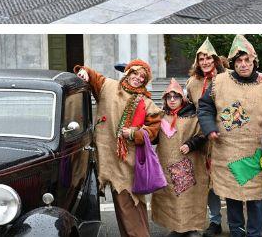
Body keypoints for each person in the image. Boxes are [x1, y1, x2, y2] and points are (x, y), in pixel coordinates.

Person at [198, 35, 262, 237]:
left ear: (254, 62)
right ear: (233, 63)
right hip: (226, 151)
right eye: (238, 61)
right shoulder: (219, 82)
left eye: (247, 60)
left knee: (255, 198)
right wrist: (210, 128)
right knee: (232, 196)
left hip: (255, 153)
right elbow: (205, 107)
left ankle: (254, 234)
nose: (243, 65)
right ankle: (237, 232)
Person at [75, 60, 162, 237]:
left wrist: (133, 134)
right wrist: (84, 72)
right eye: (135, 73)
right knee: (124, 208)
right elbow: (94, 77)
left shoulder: (145, 102)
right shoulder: (108, 86)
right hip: (108, 158)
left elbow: (154, 130)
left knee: (130, 205)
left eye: (142, 77)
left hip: (128, 163)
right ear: (128, 72)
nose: (138, 78)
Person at [151, 78, 211, 237]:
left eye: (175, 97)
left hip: (190, 165)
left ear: (182, 98)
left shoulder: (193, 115)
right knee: (172, 198)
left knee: (190, 197)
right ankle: (177, 228)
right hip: (166, 165)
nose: (172, 100)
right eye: (169, 97)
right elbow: (154, 138)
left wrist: (190, 144)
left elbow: (203, 133)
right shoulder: (160, 116)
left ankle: (192, 228)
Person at [184, 39, 228, 237]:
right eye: (201, 58)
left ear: (215, 59)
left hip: (225, 136)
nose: (205, 61)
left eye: (208, 57)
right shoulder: (193, 83)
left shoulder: (227, 78)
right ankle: (215, 221)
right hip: (203, 139)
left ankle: (238, 224)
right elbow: (188, 108)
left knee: (228, 180)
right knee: (207, 182)